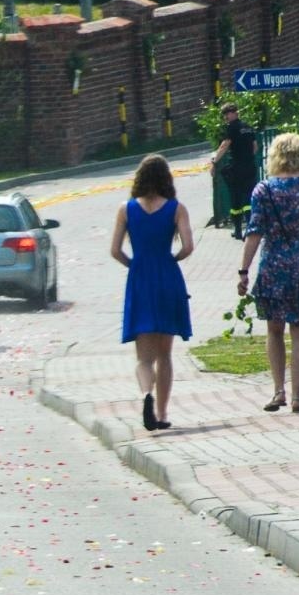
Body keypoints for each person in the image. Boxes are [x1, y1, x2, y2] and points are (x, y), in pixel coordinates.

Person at [237, 132, 299, 414]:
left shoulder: (263, 190)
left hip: (274, 267)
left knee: (274, 329)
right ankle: (298, 397)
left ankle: (278, 390)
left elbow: (254, 233)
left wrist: (244, 271)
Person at [111, 154, 195, 431]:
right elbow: (187, 247)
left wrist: (133, 265)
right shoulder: (176, 208)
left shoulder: (126, 209)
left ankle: (146, 394)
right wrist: (172, 260)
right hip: (168, 277)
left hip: (140, 279)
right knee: (165, 354)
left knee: (144, 357)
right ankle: (161, 413)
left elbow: (115, 250)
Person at [211, 101, 259, 239]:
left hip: (237, 168)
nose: (225, 117)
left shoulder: (231, 128)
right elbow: (255, 147)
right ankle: (249, 229)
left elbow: (224, 146)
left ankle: (238, 230)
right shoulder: (248, 127)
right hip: (250, 167)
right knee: (249, 198)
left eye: (226, 114)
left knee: (236, 199)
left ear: (233, 113)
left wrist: (215, 161)